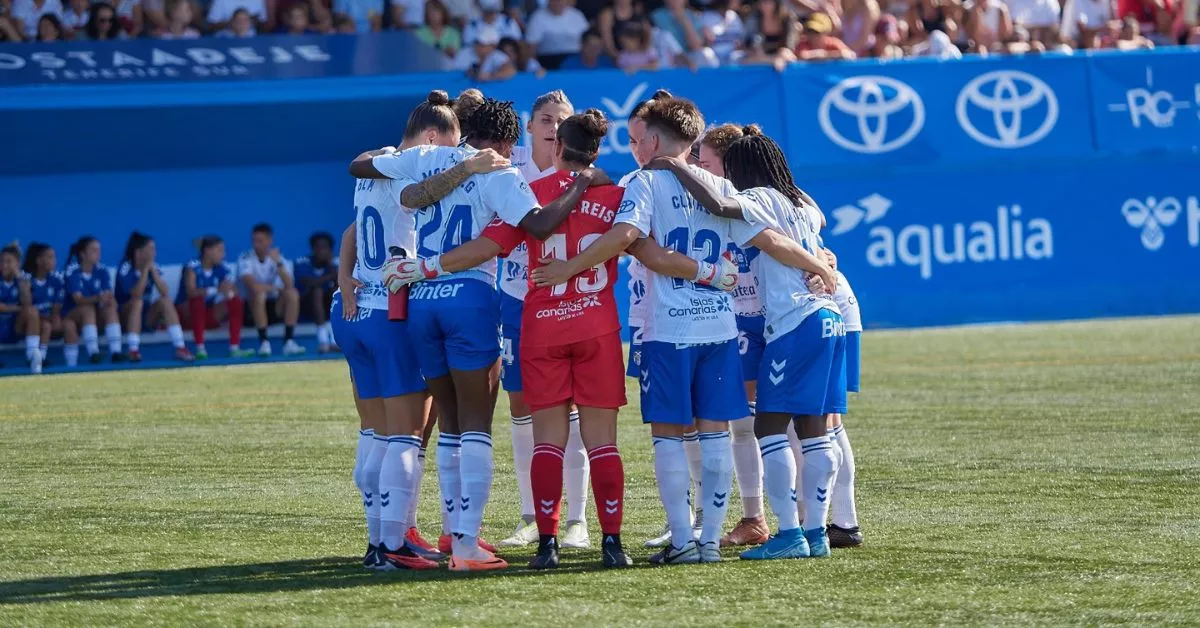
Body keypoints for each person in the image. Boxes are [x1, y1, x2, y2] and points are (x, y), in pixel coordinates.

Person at [386, 110, 647, 569]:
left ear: (557, 147)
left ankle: (546, 545)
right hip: (598, 327)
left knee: (546, 440)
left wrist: (426, 267)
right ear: (597, 150)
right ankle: (612, 544)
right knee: (602, 442)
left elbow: (491, 244)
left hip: (542, 326)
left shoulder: (534, 192)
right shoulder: (617, 195)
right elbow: (638, 242)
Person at [349, 97, 583, 572]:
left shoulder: (425, 157)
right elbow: (538, 223)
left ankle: (427, 535)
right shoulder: (496, 170)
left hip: (419, 301)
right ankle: (465, 543)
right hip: (468, 299)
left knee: (448, 425)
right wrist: (580, 188)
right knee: (475, 425)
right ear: (504, 142)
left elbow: (399, 192)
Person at [529, 97, 760, 565]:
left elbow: (624, 238)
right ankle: (710, 543)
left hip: (668, 326)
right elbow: (752, 242)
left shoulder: (642, 182)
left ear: (654, 141)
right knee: (715, 433)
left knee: (670, 435)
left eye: (638, 139)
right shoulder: (719, 185)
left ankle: (681, 540)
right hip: (718, 324)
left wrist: (569, 267)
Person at [643, 132, 844, 560]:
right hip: (829, 318)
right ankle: (816, 533)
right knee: (813, 430)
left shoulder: (759, 198)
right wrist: (823, 262)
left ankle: (789, 533)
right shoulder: (797, 202)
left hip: (795, 321)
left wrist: (678, 166)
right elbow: (813, 225)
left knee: (768, 428)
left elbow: (724, 209)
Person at [336, 91, 503, 572]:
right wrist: (469, 167)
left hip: (352, 309)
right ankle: (393, 543)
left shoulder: (380, 161)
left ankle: (377, 540)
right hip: (390, 308)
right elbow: (424, 193)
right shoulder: (410, 166)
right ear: (432, 140)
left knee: (375, 433)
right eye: (449, 146)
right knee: (405, 436)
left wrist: (344, 279)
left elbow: (352, 228)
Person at [491, 90, 594, 551]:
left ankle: (576, 520)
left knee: (569, 411)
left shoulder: (581, 173)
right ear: (529, 126)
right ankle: (532, 515)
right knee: (521, 409)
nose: (553, 126)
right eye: (545, 119)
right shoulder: (506, 168)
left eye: (561, 120)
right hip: (515, 298)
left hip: (568, 300)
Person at [690, 123, 770, 549]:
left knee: (789, 424)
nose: (699, 170)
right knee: (744, 424)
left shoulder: (760, 198)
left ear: (727, 162)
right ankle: (755, 516)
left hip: (774, 319)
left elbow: (811, 226)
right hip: (737, 320)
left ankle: (805, 519)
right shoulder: (715, 201)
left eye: (704, 163)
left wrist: (821, 260)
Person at [115, 232, 193, 363]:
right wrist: (145, 271)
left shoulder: (153, 266)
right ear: (139, 252)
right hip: (124, 318)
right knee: (137, 302)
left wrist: (154, 273)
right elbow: (136, 294)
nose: (154, 252)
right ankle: (133, 350)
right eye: (151, 249)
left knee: (165, 301)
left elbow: (165, 291)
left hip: (146, 318)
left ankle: (180, 347)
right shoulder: (125, 267)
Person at [176, 236, 252, 360]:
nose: (223, 254)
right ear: (207, 251)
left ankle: (234, 348)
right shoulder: (192, 266)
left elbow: (233, 289)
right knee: (197, 301)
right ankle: (200, 348)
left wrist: (229, 291)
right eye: (220, 250)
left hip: (207, 317)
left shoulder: (220, 268)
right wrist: (216, 289)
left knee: (235, 301)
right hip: (187, 317)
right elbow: (191, 292)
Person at [238, 223, 304, 358]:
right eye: (254, 241)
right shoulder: (245, 258)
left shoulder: (280, 259)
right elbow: (253, 286)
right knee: (259, 294)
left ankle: (289, 342)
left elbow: (289, 285)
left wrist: (278, 263)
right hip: (251, 310)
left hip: (275, 308)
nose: (256, 244)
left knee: (292, 294)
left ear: (270, 240)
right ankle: (264, 343)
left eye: (260, 241)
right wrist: (275, 288)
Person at [63, 236, 124, 364]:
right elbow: (78, 299)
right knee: (87, 308)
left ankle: (116, 352)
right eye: (94, 250)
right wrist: (99, 298)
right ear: (83, 254)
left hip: (96, 316)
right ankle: (93, 353)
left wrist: (108, 299)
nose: (98, 253)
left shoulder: (102, 270)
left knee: (110, 307)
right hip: (73, 315)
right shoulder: (72, 271)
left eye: (99, 250)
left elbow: (107, 294)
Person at [23, 243, 74, 369]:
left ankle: (70, 365)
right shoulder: (27, 278)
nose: (54, 261)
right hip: (27, 322)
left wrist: (55, 316)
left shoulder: (57, 279)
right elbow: (26, 305)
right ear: (39, 260)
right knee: (38, 319)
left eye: (54, 257)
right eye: (50, 257)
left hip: (48, 319)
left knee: (64, 325)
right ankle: (33, 357)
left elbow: (58, 304)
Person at [294, 232, 339, 354]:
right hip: (306, 305)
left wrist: (330, 266)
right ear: (313, 249)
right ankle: (323, 340)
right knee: (317, 291)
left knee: (337, 293)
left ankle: (335, 340)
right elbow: (309, 282)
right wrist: (331, 275)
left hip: (328, 304)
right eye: (318, 248)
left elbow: (341, 283)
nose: (321, 251)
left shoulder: (336, 263)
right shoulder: (303, 262)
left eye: (325, 248)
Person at [0, 244, 41, 374]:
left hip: (14, 326)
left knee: (32, 312)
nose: (4, 265)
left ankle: (32, 358)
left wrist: (19, 277)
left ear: (17, 263)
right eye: (1, 261)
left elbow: (27, 303)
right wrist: (18, 308)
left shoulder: (24, 279)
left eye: (9, 262)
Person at [524, 0, 590, 70]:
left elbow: (587, 38)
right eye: (554, 1)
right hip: (549, 60)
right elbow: (531, 47)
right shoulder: (537, 17)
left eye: (560, 1)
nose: (557, 3)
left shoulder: (577, 15)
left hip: (576, 58)